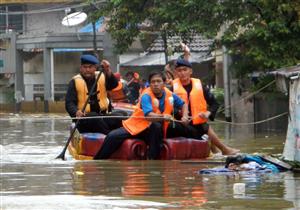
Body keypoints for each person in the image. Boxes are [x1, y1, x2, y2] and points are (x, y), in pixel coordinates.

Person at [94, 71, 188, 160]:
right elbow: (148, 116)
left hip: (154, 130)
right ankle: (97, 161)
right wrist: (163, 117)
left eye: (158, 81)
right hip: (138, 127)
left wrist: (185, 116)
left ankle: (152, 162)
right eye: (153, 82)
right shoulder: (146, 95)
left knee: (157, 126)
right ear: (150, 84)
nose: (155, 84)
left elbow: (183, 104)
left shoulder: (169, 94)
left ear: (164, 83)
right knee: (112, 136)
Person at [167, 59, 240, 155]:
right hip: (181, 123)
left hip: (198, 121)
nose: (182, 73)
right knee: (204, 127)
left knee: (202, 124)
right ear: (176, 72)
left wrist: (207, 113)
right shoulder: (172, 88)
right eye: (179, 70)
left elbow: (214, 103)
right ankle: (223, 148)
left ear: (190, 71)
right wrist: (181, 115)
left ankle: (217, 148)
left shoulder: (200, 85)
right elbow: (169, 107)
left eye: (185, 70)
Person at [65, 54, 125, 134]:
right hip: (84, 119)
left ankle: (118, 134)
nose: (87, 70)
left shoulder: (102, 76)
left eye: (90, 67)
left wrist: (107, 70)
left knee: (122, 115)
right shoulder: (74, 82)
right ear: (81, 68)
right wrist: (76, 112)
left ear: (95, 68)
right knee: (94, 117)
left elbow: (113, 85)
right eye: (85, 67)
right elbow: (69, 103)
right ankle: (110, 135)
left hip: (103, 115)